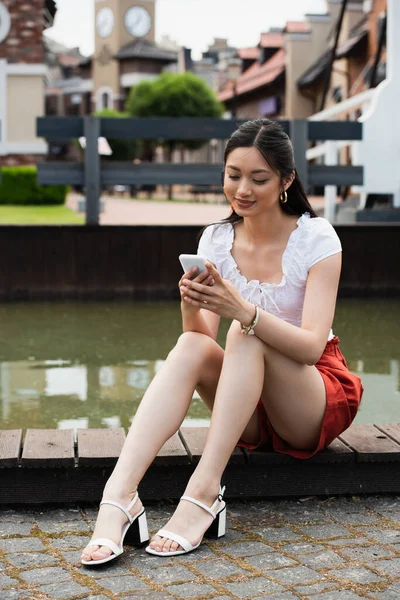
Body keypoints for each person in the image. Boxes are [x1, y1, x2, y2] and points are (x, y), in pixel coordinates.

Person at [81, 118, 363, 565]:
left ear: (287, 180)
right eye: (233, 175)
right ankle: (119, 498)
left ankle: (204, 492)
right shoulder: (215, 238)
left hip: (311, 396)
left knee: (246, 332)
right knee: (194, 347)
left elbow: (311, 347)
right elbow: (199, 338)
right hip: (246, 401)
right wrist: (191, 301)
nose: (242, 189)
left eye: (259, 178)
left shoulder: (316, 237)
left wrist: (244, 312)